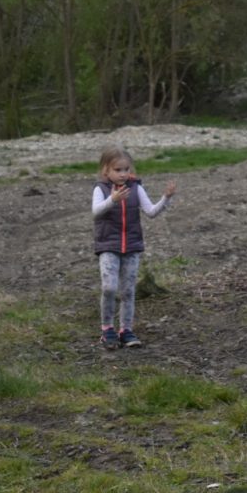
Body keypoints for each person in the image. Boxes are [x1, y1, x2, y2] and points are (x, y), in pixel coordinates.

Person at [93, 145, 176, 349]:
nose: (123, 174)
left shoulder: (136, 188)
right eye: (117, 170)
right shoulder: (100, 189)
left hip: (132, 246)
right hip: (108, 246)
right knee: (109, 288)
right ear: (106, 170)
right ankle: (107, 329)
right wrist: (112, 200)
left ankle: (126, 330)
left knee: (128, 291)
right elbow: (96, 212)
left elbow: (151, 212)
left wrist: (166, 198)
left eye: (126, 169)